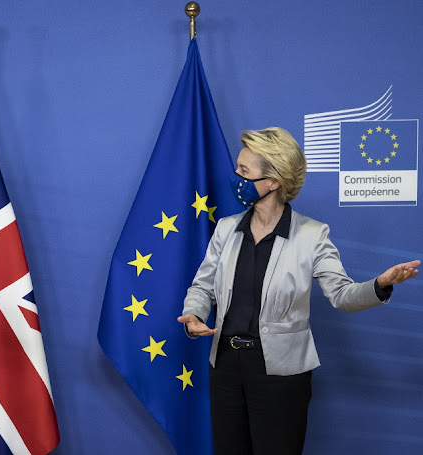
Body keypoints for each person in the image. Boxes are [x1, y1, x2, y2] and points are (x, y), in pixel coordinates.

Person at [177, 127, 419, 455]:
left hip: (281, 375)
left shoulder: (313, 235)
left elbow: (342, 296)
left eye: (244, 171)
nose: (235, 176)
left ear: (274, 181)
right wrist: (193, 313)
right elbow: (202, 286)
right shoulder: (225, 229)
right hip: (225, 368)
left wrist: (380, 285)